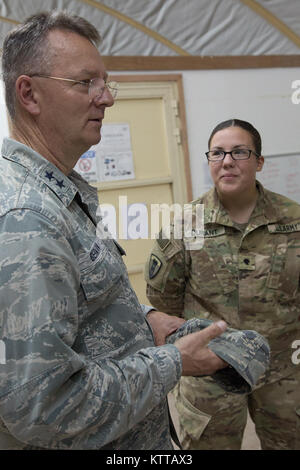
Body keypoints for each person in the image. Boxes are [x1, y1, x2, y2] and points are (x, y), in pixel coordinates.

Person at [0, 10, 238, 450]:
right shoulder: (28, 217)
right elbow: (44, 407)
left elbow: (78, 307)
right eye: (85, 83)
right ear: (29, 93)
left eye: (106, 82)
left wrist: (144, 322)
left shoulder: (58, 192)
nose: (106, 97)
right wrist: (172, 362)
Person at [146, 119, 300, 450]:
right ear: (209, 161)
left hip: (285, 372)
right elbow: (164, 303)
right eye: (217, 153)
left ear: (259, 162)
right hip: (209, 373)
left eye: (239, 152)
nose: (227, 161)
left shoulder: (294, 221)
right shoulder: (184, 226)